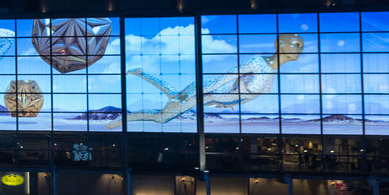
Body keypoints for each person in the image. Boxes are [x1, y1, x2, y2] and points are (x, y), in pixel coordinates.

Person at [110, 33, 304, 128]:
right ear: (280, 44)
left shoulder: (270, 71)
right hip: (204, 92)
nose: (300, 49)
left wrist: (226, 102)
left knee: (171, 99)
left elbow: (240, 92)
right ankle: (123, 119)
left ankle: (141, 73)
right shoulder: (257, 62)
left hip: (210, 97)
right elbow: (225, 78)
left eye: (300, 46)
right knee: (162, 117)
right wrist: (198, 93)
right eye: (296, 44)